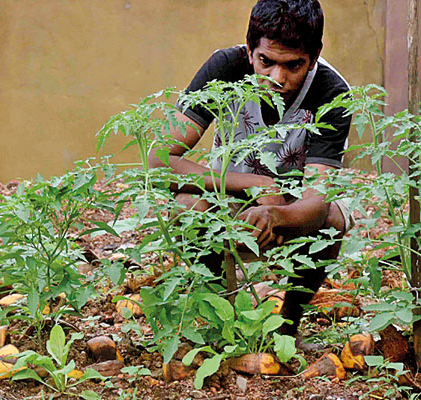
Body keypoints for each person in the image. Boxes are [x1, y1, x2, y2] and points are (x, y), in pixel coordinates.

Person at [150, 0, 352, 343]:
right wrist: (255, 183)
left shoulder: (331, 93)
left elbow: (317, 202)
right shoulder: (224, 68)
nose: (278, 78)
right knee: (187, 207)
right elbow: (159, 162)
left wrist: (275, 215)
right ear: (249, 51)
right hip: (225, 195)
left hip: (291, 209)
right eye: (266, 62)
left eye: (294, 65)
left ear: (314, 56)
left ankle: (287, 328)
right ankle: (221, 319)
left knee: (333, 219)